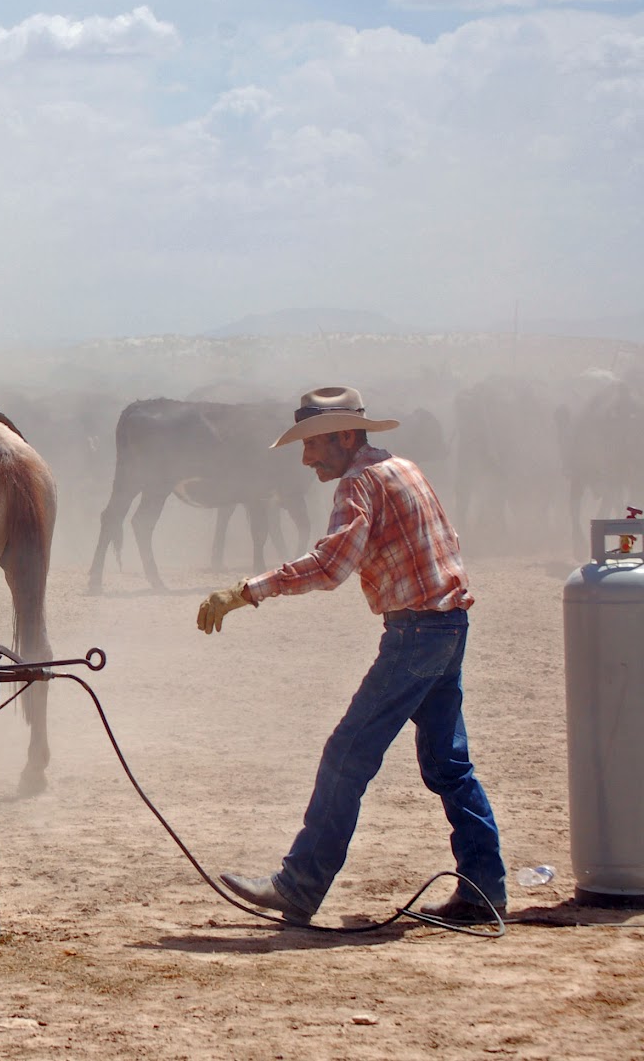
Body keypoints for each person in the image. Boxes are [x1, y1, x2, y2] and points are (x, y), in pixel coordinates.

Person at [197, 386, 507, 926]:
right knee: (447, 764)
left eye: (313, 444)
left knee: (348, 754)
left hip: (416, 632)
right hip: (448, 622)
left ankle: (300, 885)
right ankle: (484, 888)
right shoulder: (404, 469)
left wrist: (245, 592)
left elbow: (330, 566)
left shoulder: (358, 483)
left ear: (345, 436)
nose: (306, 457)